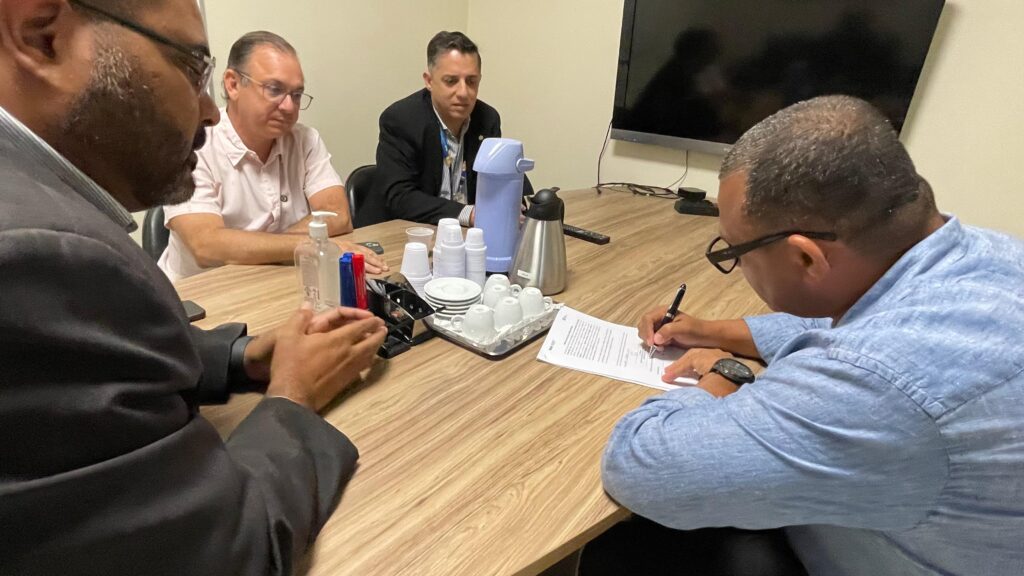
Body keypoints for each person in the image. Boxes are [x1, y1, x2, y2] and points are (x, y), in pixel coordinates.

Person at [0, 1, 388, 575]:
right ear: (41, 34)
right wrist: (292, 395)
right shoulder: (42, 255)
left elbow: (80, 355)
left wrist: (239, 358)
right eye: (189, 67)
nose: (207, 111)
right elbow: (229, 554)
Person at [589, 96, 1024, 575]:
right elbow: (837, 320)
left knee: (622, 550)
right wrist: (709, 330)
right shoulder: (982, 256)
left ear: (805, 258)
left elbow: (640, 469)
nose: (736, 264)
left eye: (734, 252)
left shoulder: (881, 381)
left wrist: (722, 376)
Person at [158, 30, 386, 281]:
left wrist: (258, 248)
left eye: (296, 95)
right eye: (274, 89)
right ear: (233, 84)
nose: (288, 106)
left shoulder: (305, 140)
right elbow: (206, 245)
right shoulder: (193, 143)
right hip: (202, 291)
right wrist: (304, 245)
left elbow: (338, 216)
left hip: (276, 282)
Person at [355, 30, 532, 228]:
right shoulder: (401, 119)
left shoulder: (487, 119)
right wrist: (469, 214)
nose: (463, 92)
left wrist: (520, 204)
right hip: (403, 233)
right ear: (429, 81)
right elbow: (401, 198)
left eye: (471, 81)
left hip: (465, 235)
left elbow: (502, 178)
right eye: (451, 81)